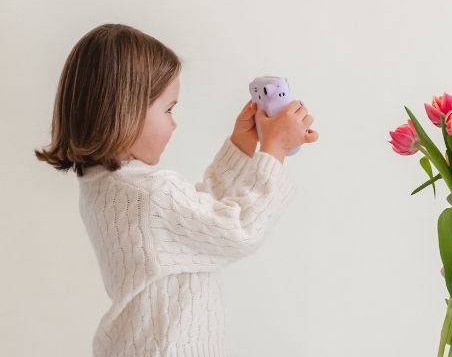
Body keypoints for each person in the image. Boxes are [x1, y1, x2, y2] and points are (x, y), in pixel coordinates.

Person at [35, 24, 318, 356]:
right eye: (168, 109)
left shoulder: (107, 185)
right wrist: (274, 151)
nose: (174, 123)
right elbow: (238, 229)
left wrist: (242, 145)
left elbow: (197, 223)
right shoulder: (151, 194)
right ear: (124, 111)